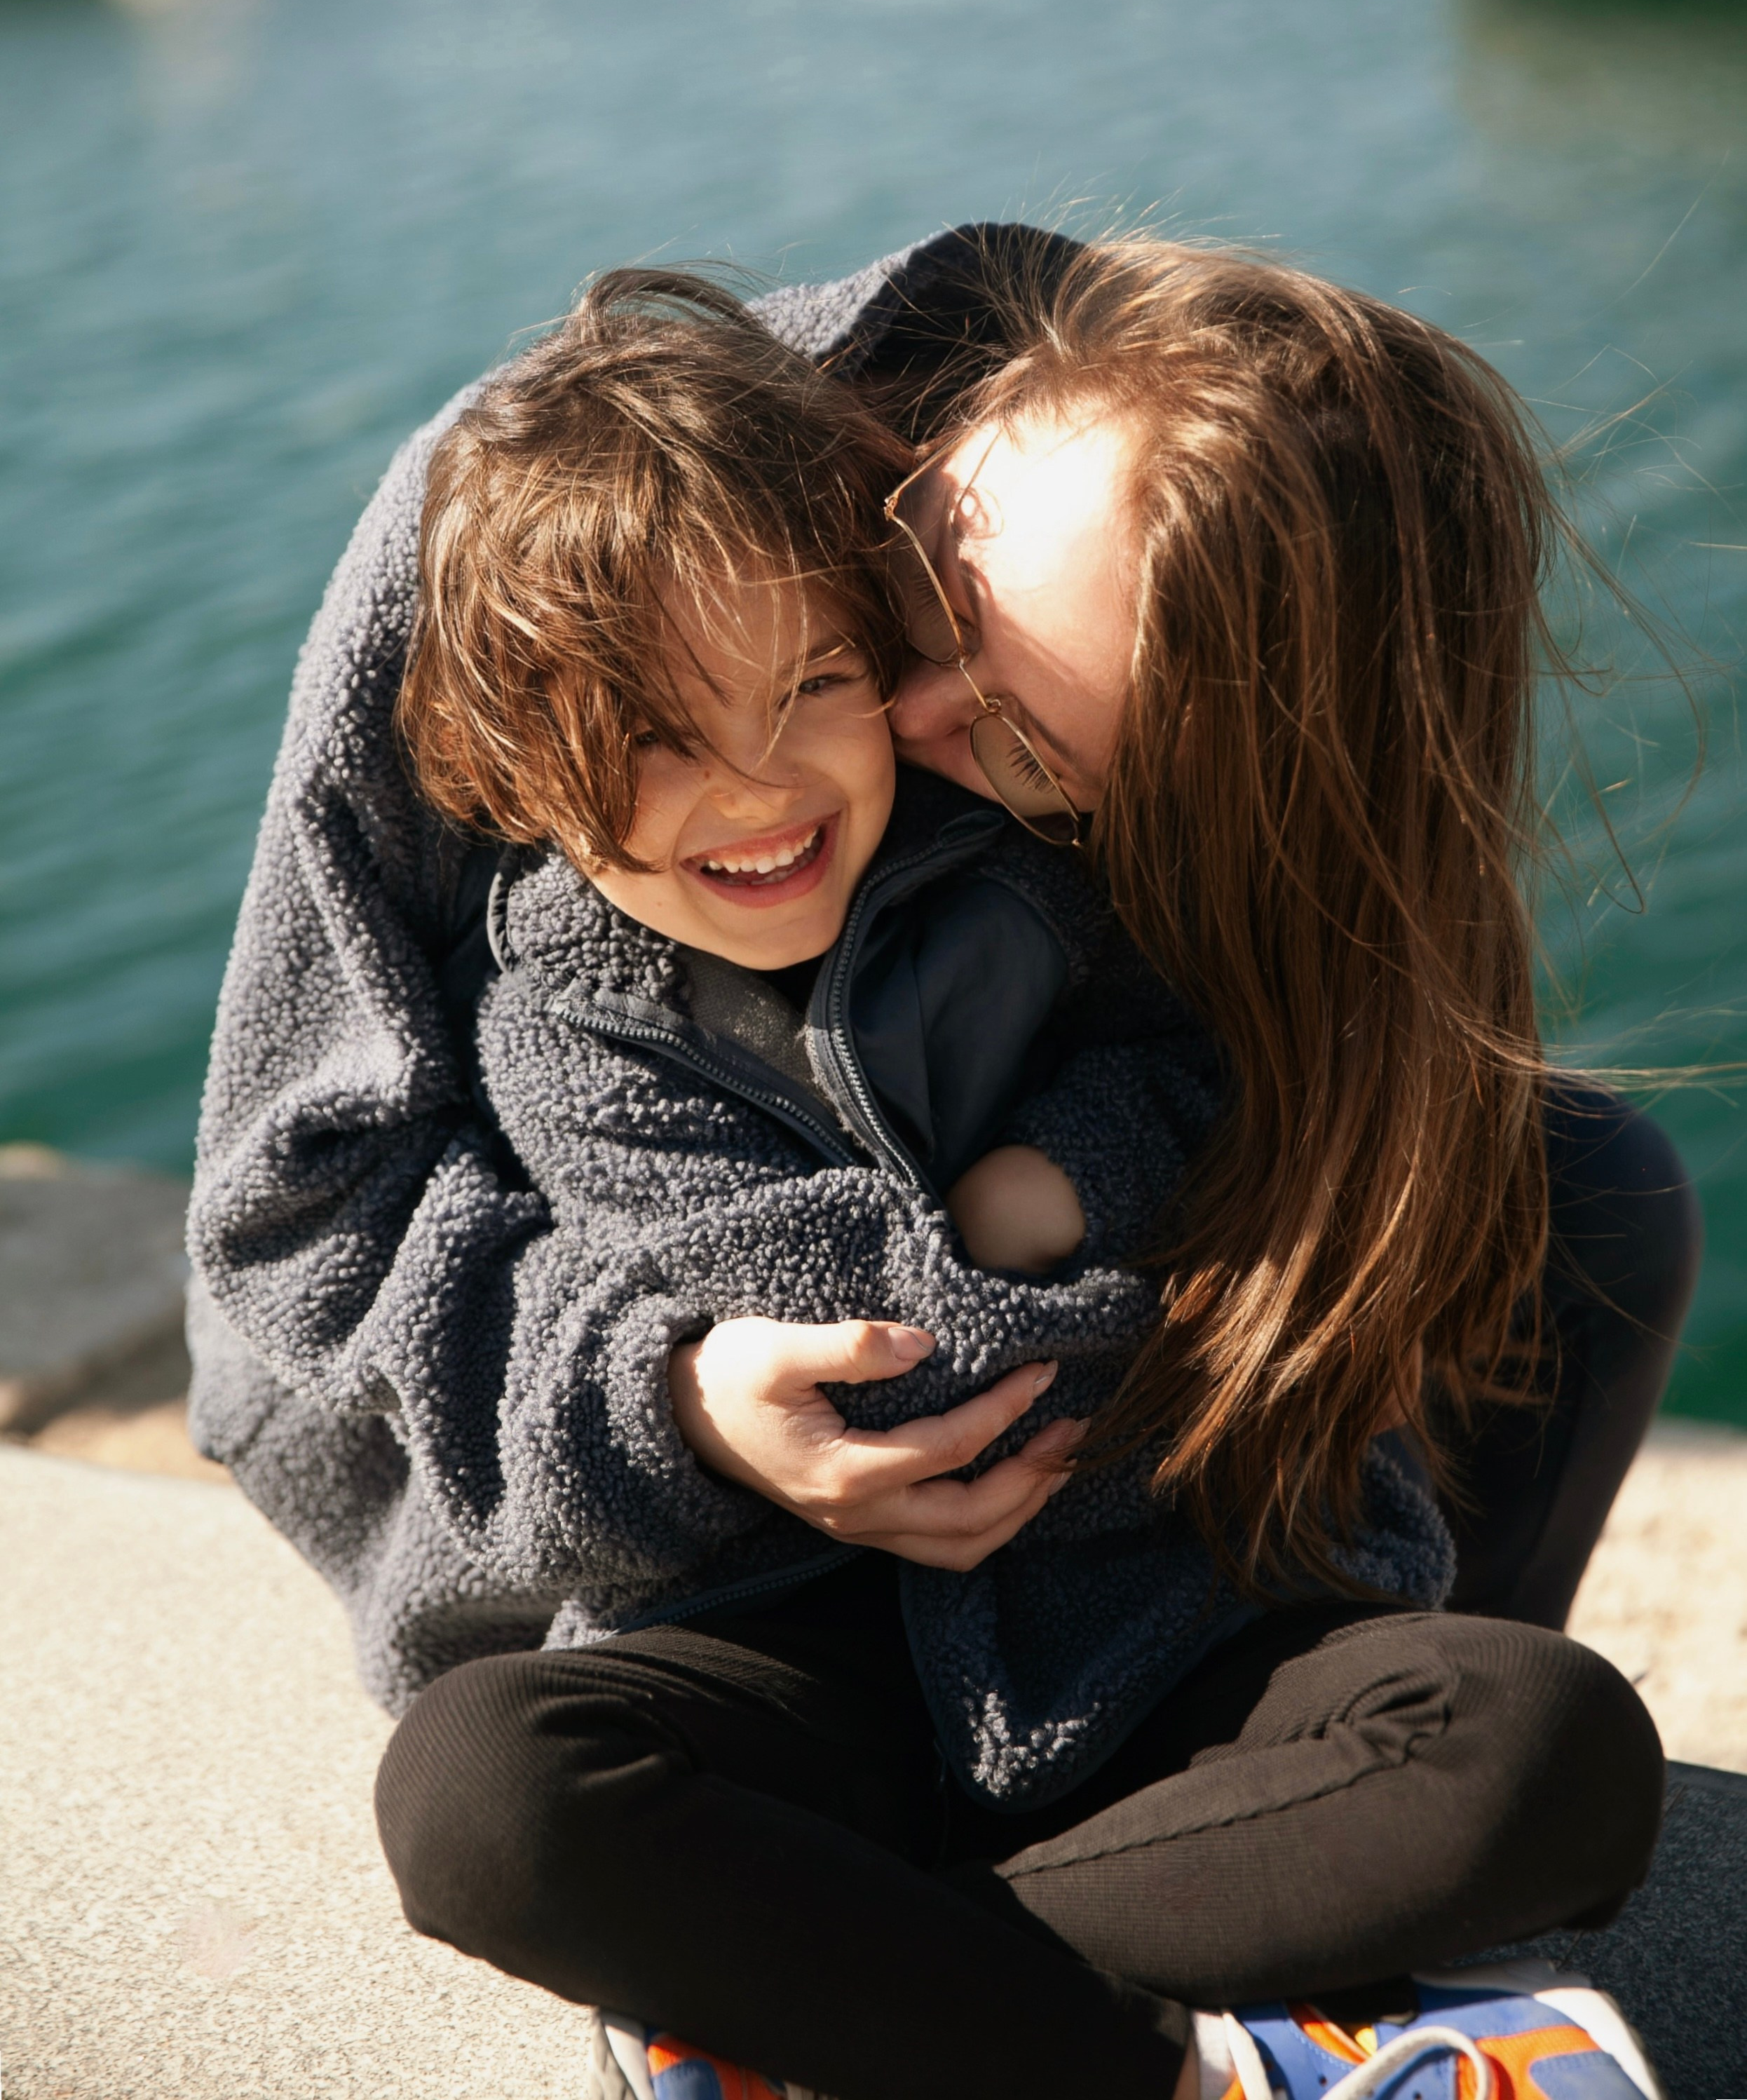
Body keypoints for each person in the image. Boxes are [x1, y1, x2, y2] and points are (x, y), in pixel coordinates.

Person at [186, 232, 1690, 2100]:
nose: (885, 733)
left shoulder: (1078, 860)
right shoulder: (519, 559)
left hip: (1140, 1621)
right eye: (928, 602)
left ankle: (855, 1966)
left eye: (1028, 751)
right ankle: (1160, 2032)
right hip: (761, 1625)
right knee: (495, 1802)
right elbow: (291, 1241)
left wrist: (1070, 1216)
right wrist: (687, 1404)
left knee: (1571, 1378)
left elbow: (1227, 1088)